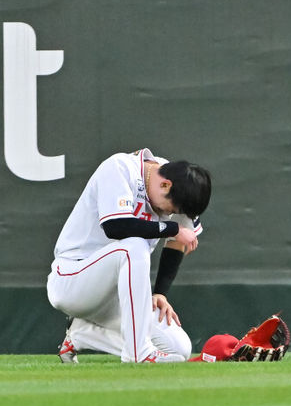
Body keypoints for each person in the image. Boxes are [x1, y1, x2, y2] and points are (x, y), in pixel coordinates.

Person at [46, 148, 212, 363]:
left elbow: (176, 242)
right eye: (171, 209)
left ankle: (82, 335)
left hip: (120, 294)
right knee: (134, 245)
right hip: (73, 280)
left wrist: (160, 292)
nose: (169, 214)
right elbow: (116, 227)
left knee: (178, 349)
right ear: (164, 184)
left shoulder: (182, 185)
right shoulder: (120, 168)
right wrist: (173, 229)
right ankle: (138, 352)